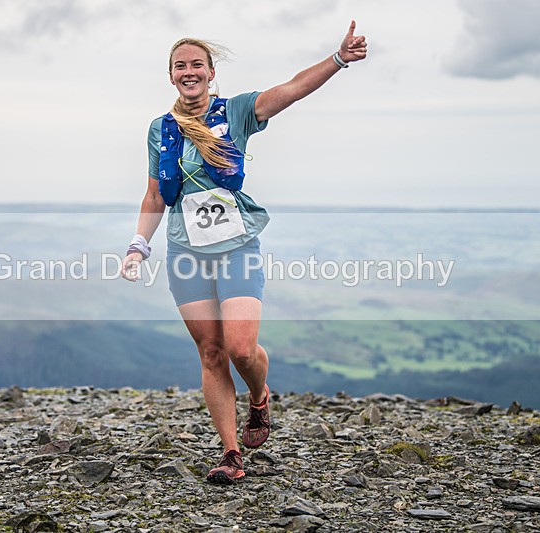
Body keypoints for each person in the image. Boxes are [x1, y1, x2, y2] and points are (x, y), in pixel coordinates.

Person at [122, 21, 367, 484]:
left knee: (239, 348)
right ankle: (231, 453)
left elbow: (292, 89)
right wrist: (139, 246)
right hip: (184, 249)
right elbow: (155, 195)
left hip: (236, 245)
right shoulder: (160, 130)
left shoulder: (235, 112)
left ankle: (259, 397)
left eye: (197, 64)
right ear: (171, 76)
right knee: (211, 352)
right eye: (180, 66)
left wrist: (337, 59)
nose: (189, 71)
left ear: (211, 72)